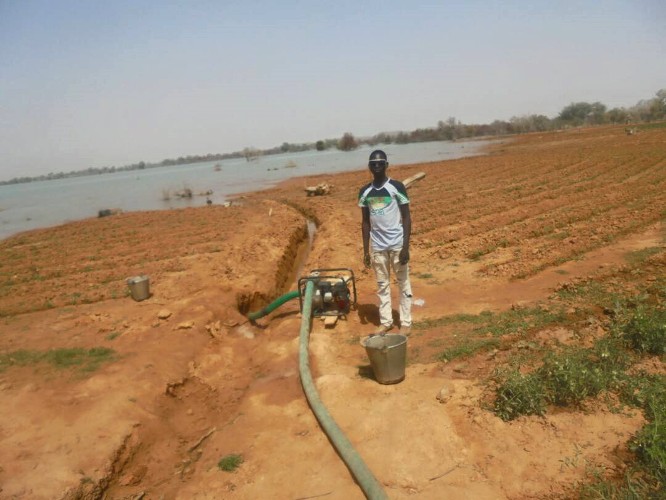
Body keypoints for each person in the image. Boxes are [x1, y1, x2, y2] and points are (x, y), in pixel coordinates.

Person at [358, 149, 412, 335]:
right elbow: (365, 222)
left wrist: (405, 246)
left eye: (380, 163)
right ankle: (386, 321)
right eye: (373, 163)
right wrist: (366, 250)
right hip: (378, 247)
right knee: (382, 286)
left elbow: (406, 217)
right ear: (369, 167)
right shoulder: (365, 192)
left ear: (387, 165)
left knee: (403, 283)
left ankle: (405, 322)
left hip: (397, 245)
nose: (377, 166)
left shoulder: (396, 187)